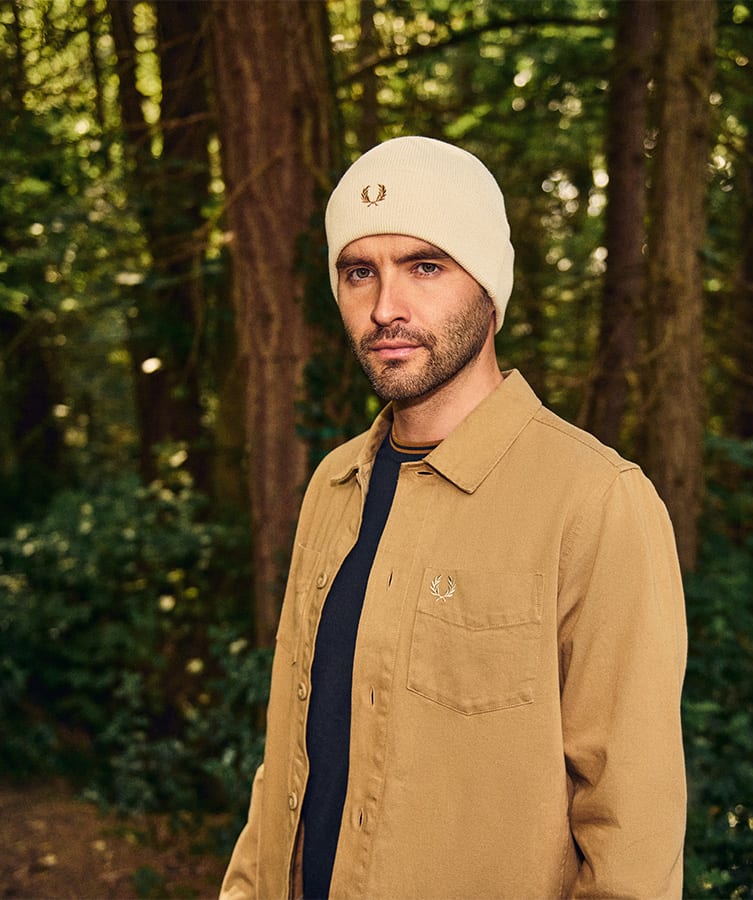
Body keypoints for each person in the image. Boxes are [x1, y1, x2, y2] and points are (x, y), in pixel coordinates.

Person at [221, 136, 687, 900]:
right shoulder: (333, 485)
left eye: (425, 266)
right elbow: (289, 756)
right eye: (358, 272)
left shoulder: (596, 502)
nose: (385, 308)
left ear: (490, 288)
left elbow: (630, 830)